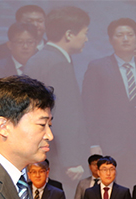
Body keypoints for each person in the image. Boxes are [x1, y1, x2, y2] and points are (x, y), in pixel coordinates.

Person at [82, 17, 136, 189]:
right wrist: (94, 142)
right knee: (110, 192)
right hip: (109, 144)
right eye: (120, 35)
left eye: (130, 34)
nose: (126, 39)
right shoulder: (97, 67)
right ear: (111, 40)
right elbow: (89, 108)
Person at [24, 6, 90, 182]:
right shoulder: (57, 63)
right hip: (58, 158)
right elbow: (63, 114)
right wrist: (71, 160)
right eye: (84, 33)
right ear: (69, 34)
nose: (86, 39)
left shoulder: (40, 58)